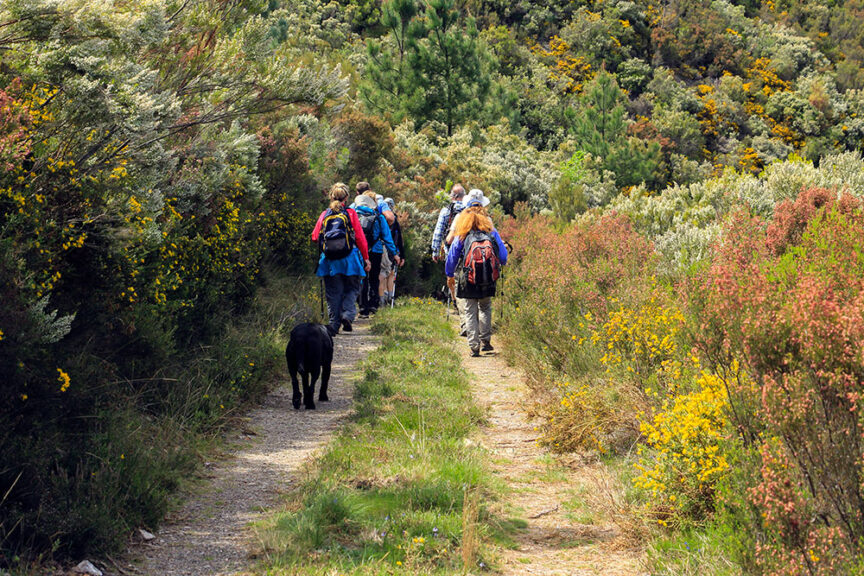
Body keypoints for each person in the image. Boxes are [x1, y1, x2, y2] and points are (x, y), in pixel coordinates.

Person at [445, 190, 508, 357]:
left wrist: (449, 273)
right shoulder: (490, 229)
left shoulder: (463, 232)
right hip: (488, 276)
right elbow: (503, 255)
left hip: (468, 277)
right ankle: (485, 339)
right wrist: (501, 263)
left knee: (470, 309)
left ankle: (474, 346)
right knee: (485, 306)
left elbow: (452, 255)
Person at [310, 183, 371, 334]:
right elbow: (360, 238)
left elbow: (314, 236)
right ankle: (347, 315)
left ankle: (334, 325)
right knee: (352, 289)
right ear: (347, 198)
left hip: (330, 262)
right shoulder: (350, 213)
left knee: (333, 293)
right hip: (350, 260)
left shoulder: (325, 214)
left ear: (331, 197)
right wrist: (366, 258)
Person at [354, 194, 401, 317]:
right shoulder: (379, 217)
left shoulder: (353, 214)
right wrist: (395, 254)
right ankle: (374, 305)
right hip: (376, 250)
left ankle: (363, 308)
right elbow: (387, 237)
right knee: (374, 278)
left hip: (360, 251)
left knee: (362, 278)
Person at [379, 197, 404, 306]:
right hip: (393, 250)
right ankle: (389, 298)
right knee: (390, 274)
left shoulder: (379, 217)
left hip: (381, 248)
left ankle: (382, 298)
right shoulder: (393, 219)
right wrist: (401, 255)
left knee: (382, 274)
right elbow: (399, 239)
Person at [431, 184, 466, 261]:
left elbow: (438, 232)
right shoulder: (469, 209)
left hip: (451, 251)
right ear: (464, 196)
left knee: (451, 271)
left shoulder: (446, 210)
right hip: (468, 251)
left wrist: (435, 252)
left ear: (453, 196)